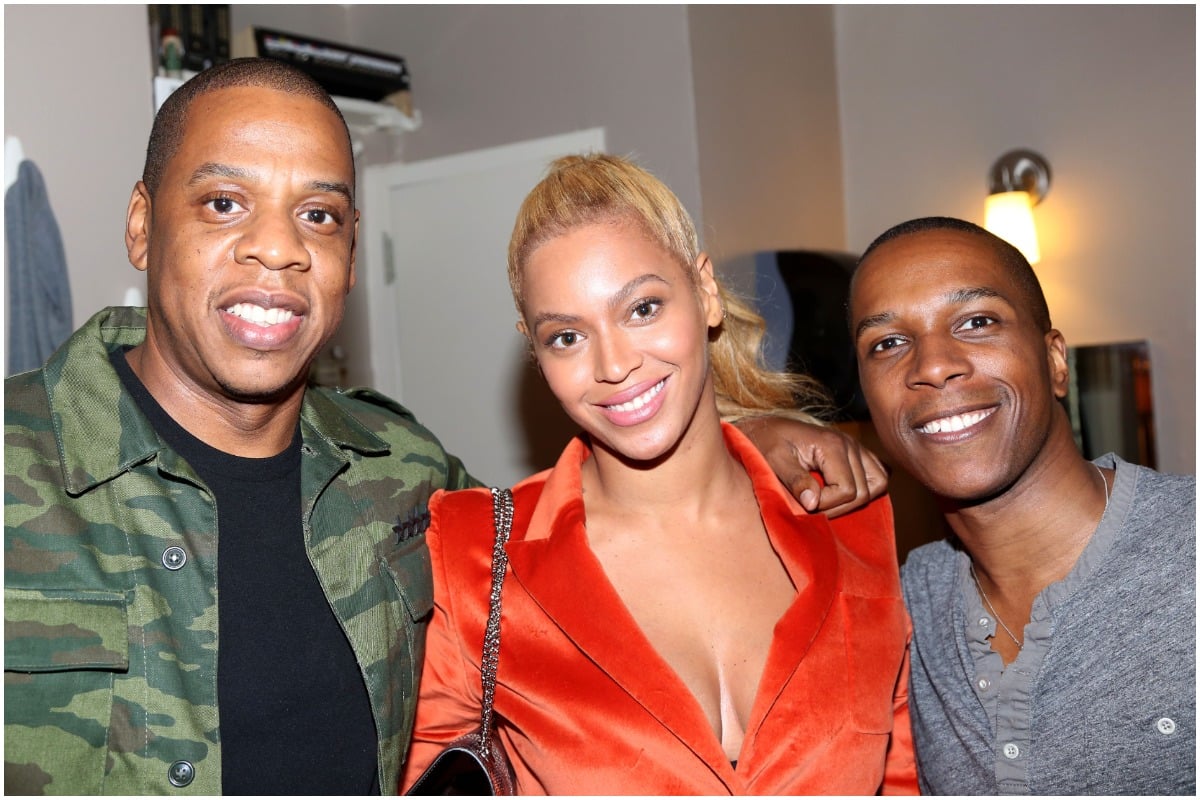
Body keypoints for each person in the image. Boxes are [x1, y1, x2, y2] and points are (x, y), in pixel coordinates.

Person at [4, 59, 886, 794]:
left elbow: (590, 519)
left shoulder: (400, 473)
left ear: (350, 255)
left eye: (318, 215)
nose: (278, 248)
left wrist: (751, 440)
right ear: (141, 225)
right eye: (225, 203)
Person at [399, 154, 917, 795]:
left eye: (642, 308)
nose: (614, 364)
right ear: (536, 352)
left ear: (704, 292)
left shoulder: (849, 518)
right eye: (566, 337)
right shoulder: (474, 555)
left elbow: (903, 779)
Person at [848, 216, 1196, 795]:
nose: (932, 365)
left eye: (977, 321)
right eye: (887, 343)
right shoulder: (907, 605)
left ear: (1056, 359)